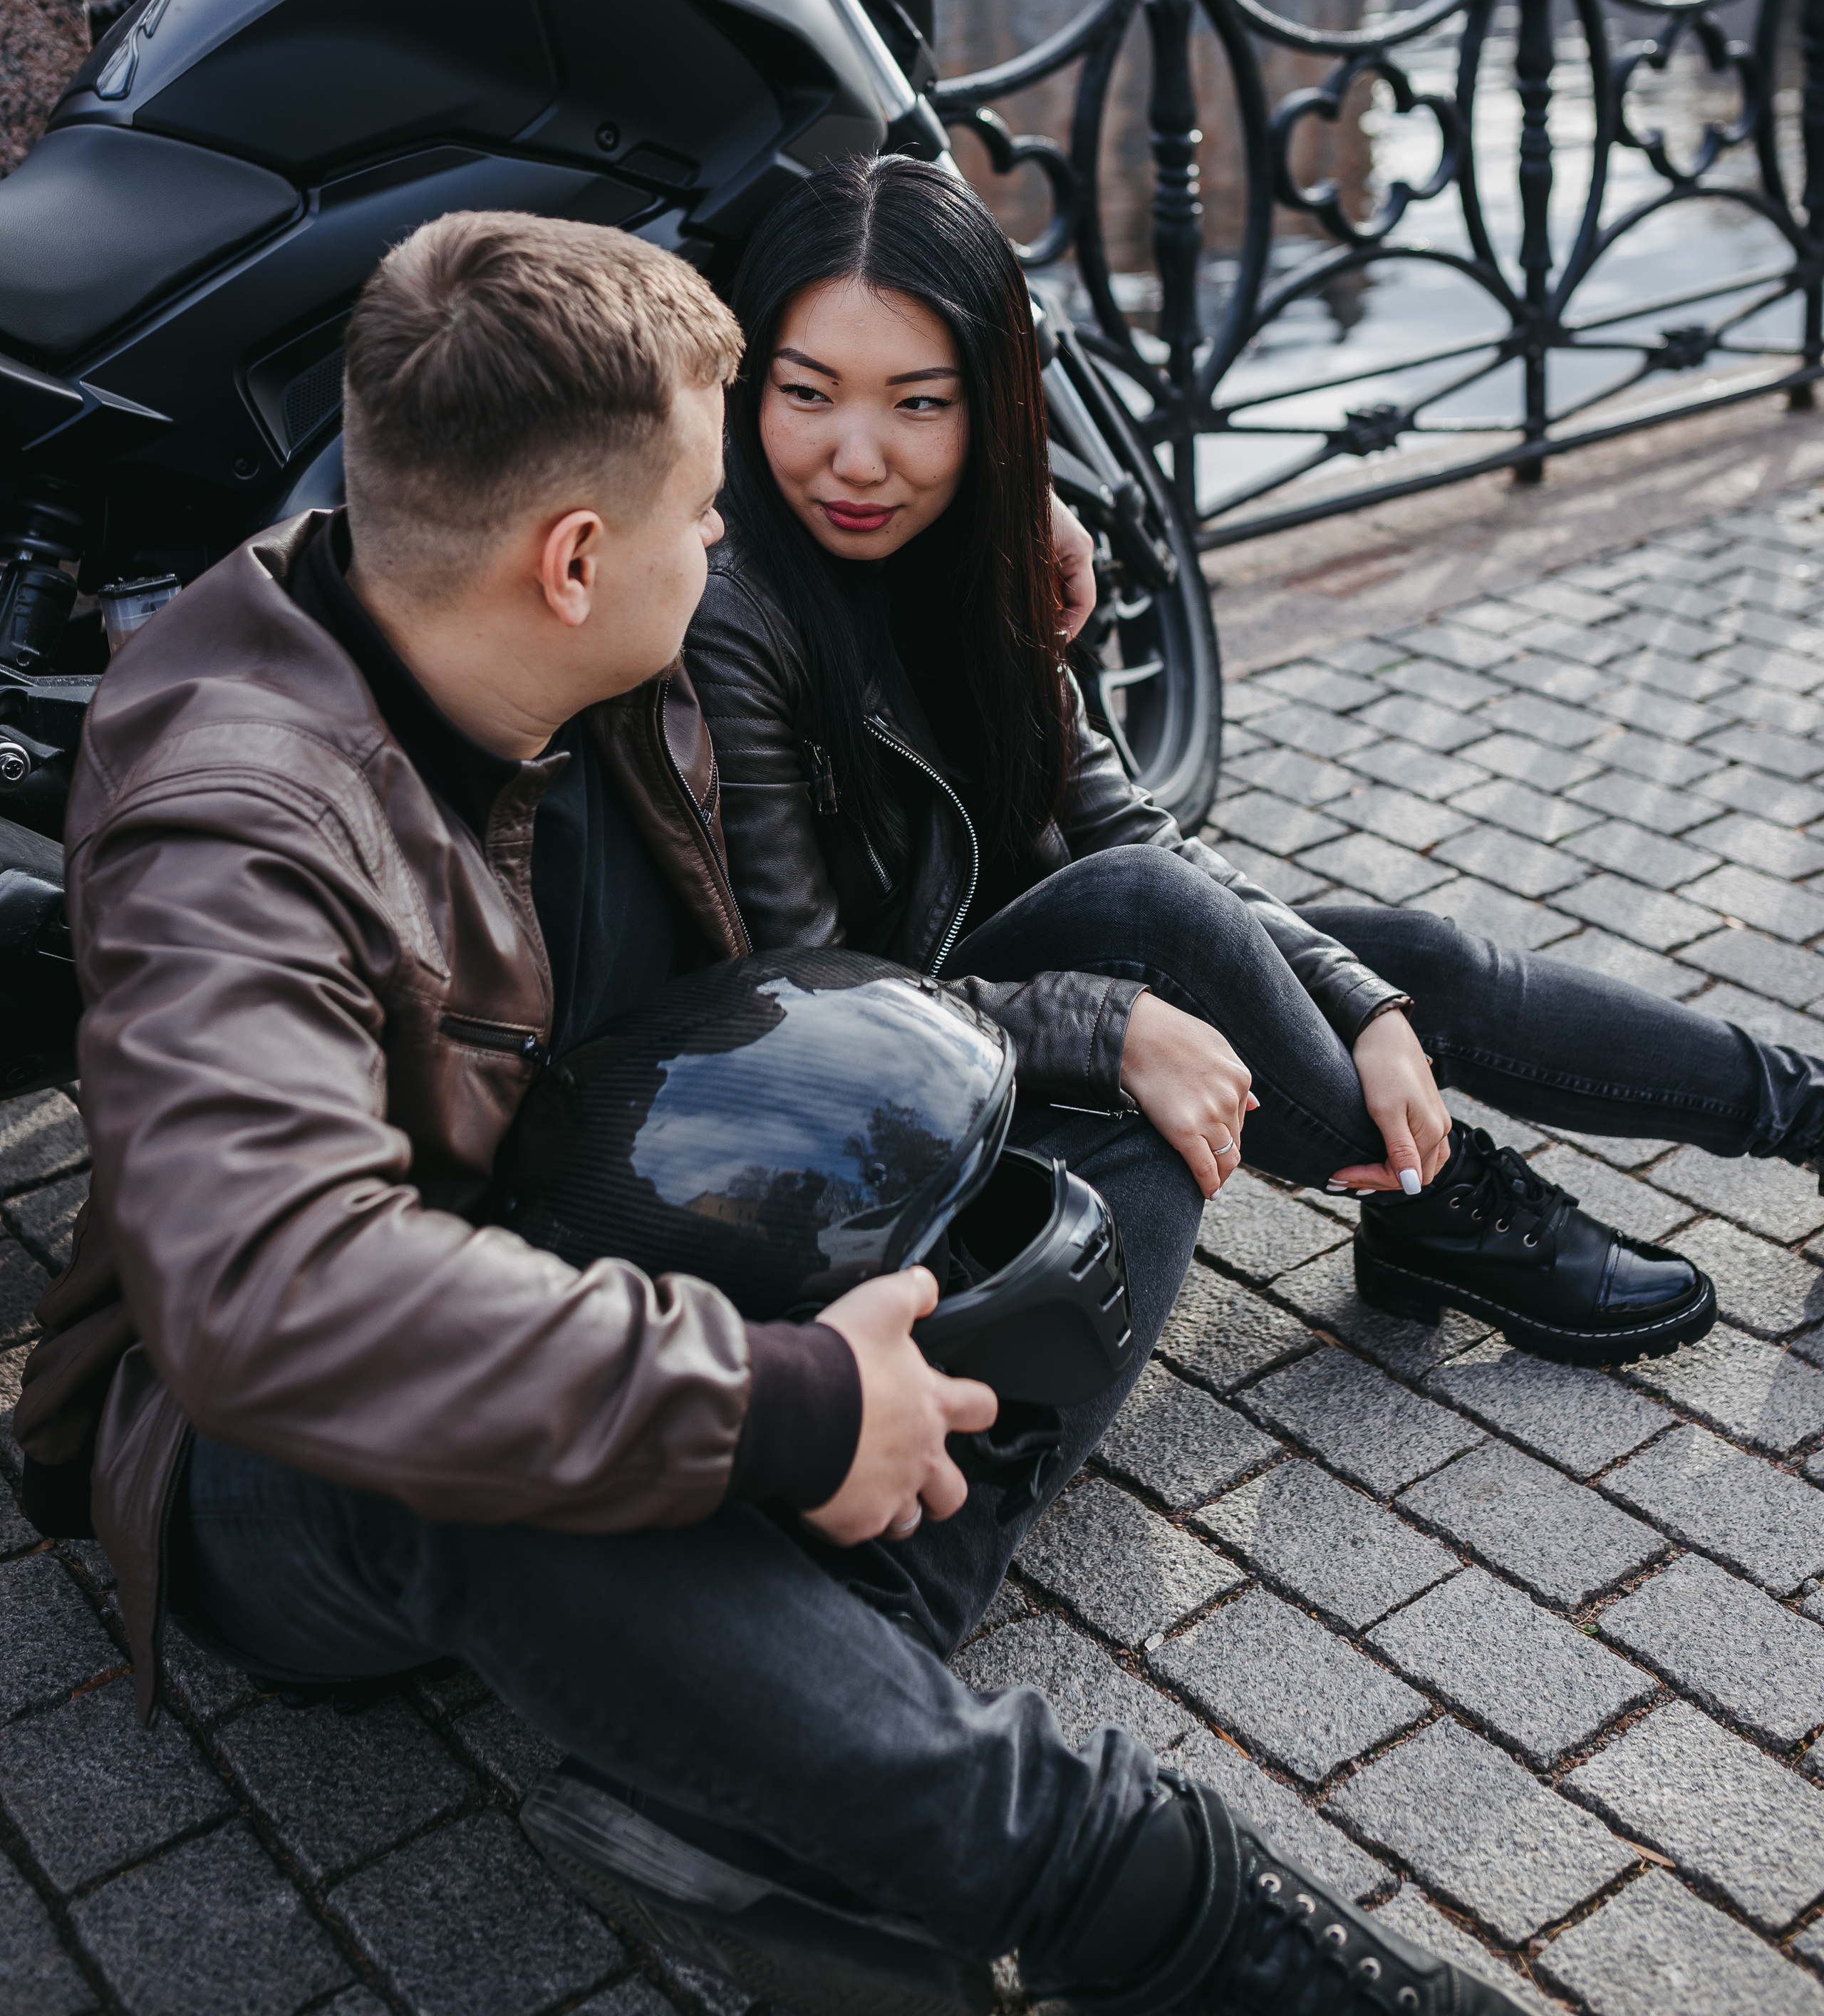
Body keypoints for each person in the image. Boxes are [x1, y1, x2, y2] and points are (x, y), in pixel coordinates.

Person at [12, 210, 1525, 2016]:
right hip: (260, 1464)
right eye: (701, 511)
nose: (733, 535)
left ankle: (789, 1726)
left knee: (1104, 1140)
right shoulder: (238, 814)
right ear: (576, 559)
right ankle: (1173, 1921)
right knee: (458, 1449)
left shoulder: (532, 618)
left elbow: (854, 251)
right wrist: (797, 1402)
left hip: (622, 1222)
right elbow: (275, 1298)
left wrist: (1003, 563)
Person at [685, 153, 1824, 1390]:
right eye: (809, 394)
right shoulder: (730, 613)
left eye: (920, 404)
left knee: (1414, 967)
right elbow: (822, 997)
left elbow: (1127, 819)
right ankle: (1444, 1198)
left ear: (992, 408)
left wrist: (1365, 1009)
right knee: (1144, 910)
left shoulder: (978, 551)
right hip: (898, 1079)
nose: (857, 458)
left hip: (1025, 990)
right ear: (750, 392)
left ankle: (1801, 1110)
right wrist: (1106, 1021)